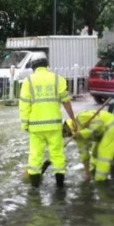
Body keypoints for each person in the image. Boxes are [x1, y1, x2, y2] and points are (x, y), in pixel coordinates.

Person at [19, 52, 76, 188]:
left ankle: (34, 189)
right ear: (46, 64)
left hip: (36, 128)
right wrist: (73, 119)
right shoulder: (58, 79)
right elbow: (66, 101)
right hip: (55, 127)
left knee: (35, 157)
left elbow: (24, 105)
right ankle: (60, 187)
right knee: (57, 156)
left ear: (33, 66)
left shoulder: (28, 82)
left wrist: (25, 124)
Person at [62, 108, 114, 182]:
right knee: (94, 152)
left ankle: (101, 180)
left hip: (111, 126)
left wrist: (82, 133)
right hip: (101, 133)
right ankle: (93, 172)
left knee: (103, 153)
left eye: (64, 133)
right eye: (64, 135)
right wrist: (87, 173)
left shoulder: (79, 118)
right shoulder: (76, 135)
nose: (66, 135)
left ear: (65, 126)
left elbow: (99, 124)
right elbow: (84, 154)